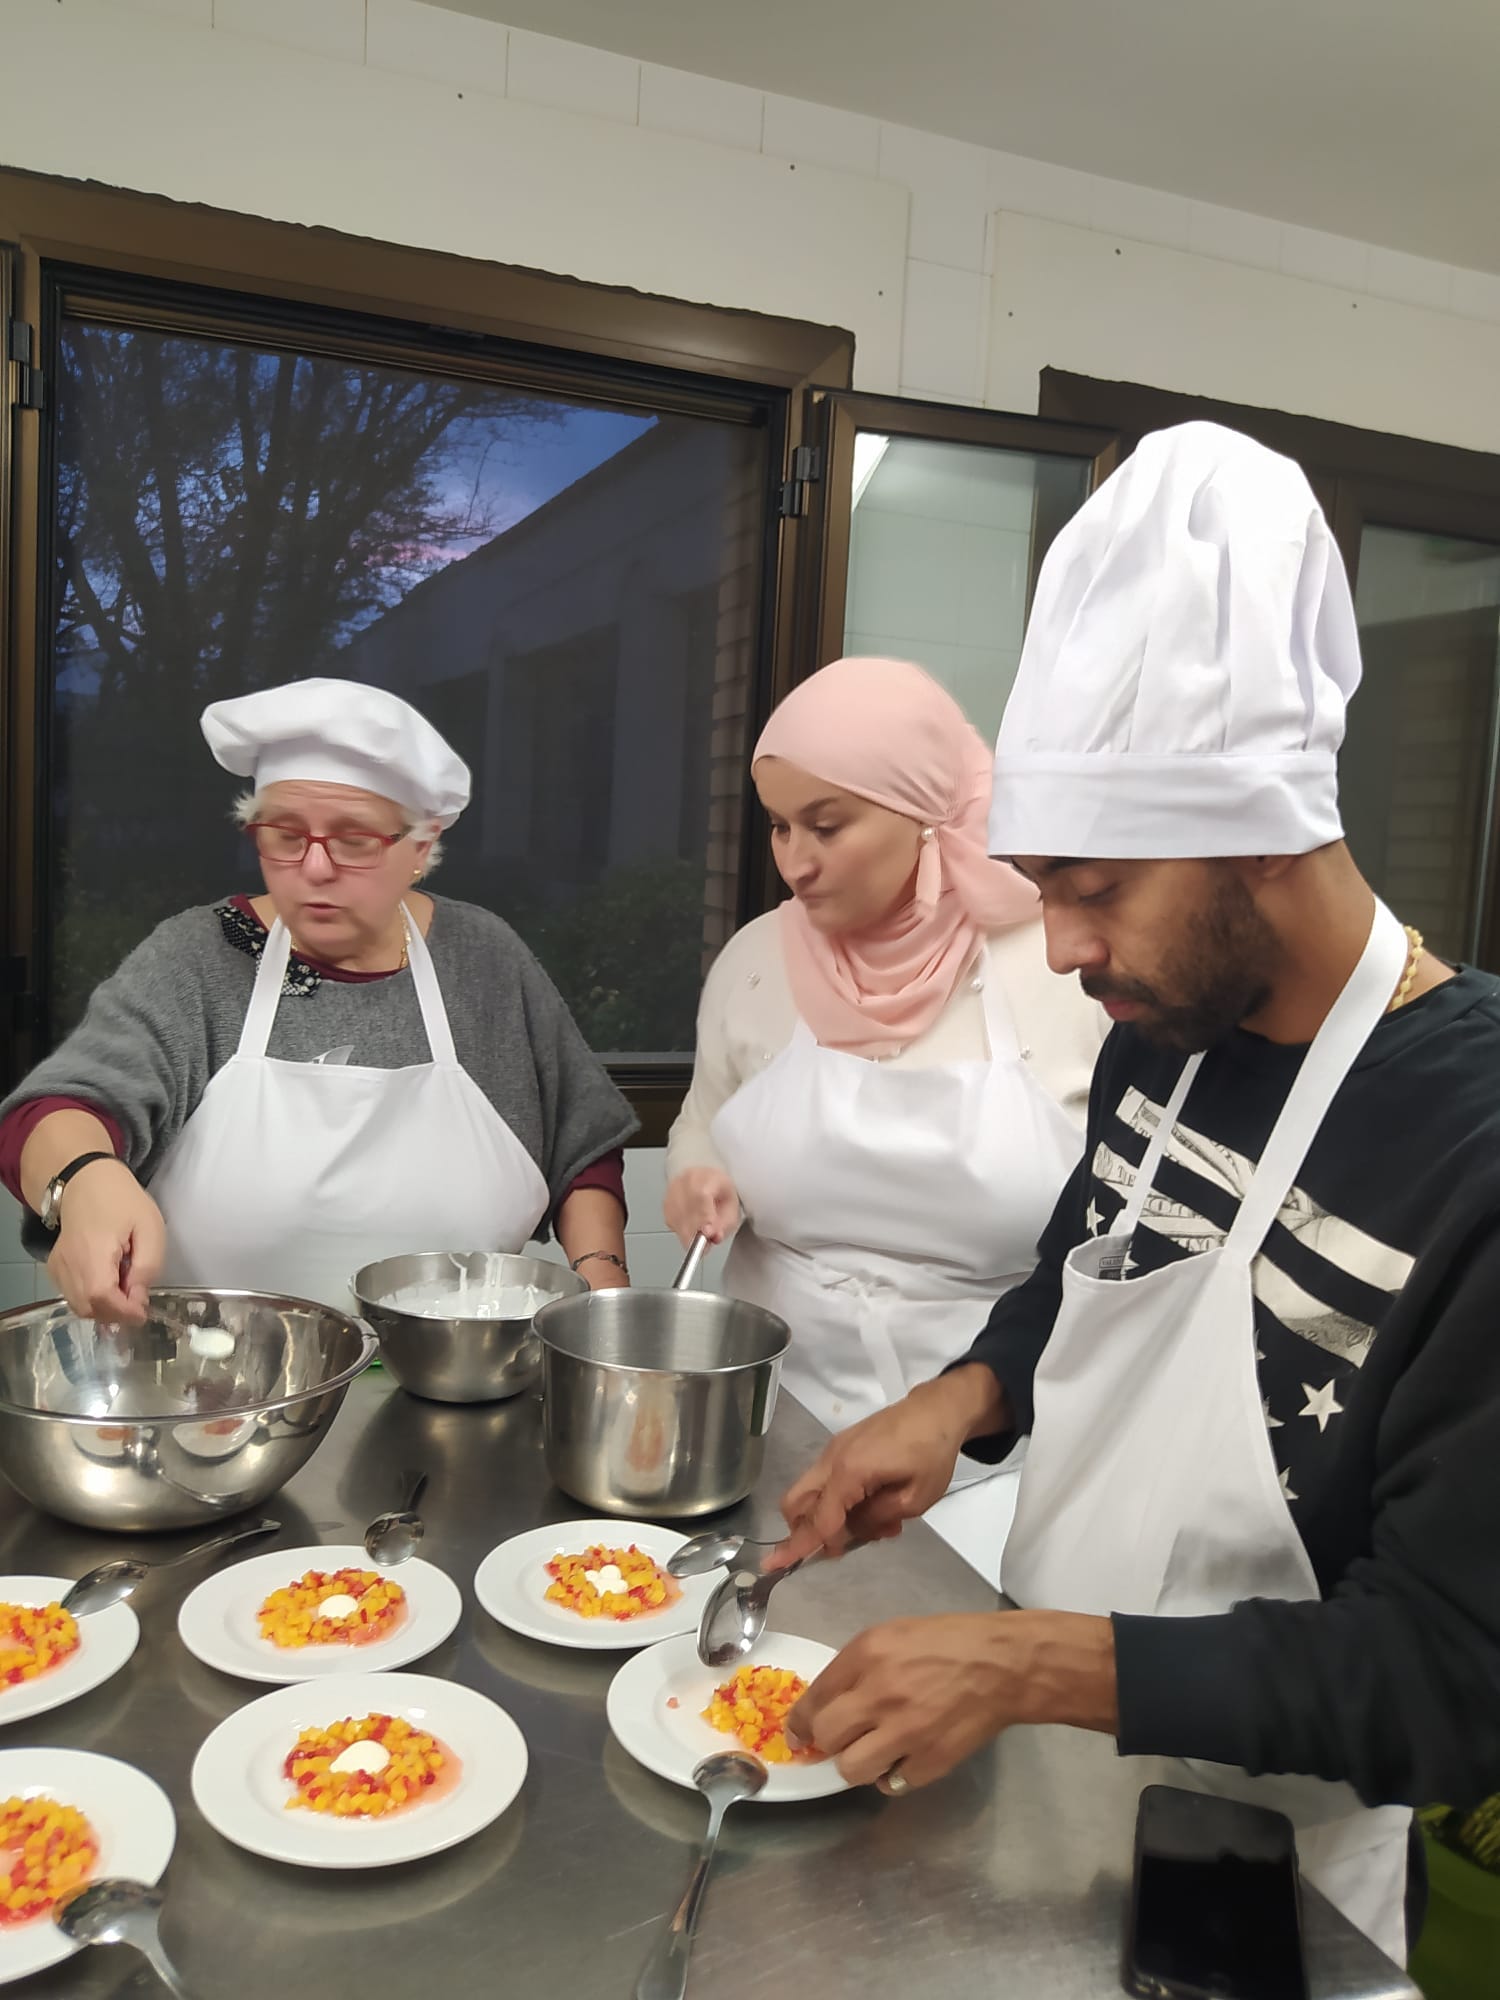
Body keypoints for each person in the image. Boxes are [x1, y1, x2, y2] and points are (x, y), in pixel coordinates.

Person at [771, 425, 1500, 1966]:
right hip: (1035, 1780)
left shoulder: (1473, 1144)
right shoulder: (1163, 1033)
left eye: (1097, 891)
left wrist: (1027, 1666)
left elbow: (1452, 1682)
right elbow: (1080, 1273)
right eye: (1045, 891)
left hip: (1270, 1877)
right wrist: (963, 1402)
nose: (1063, 948)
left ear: (1264, 835)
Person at [0, 678, 637, 1320]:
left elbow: (581, 1144)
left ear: (420, 847)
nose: (314, 868)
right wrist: (84, 1177)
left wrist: (602, 1285)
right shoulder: (197, 959)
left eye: (354, 840)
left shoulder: (484, 960)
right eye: (285, 835)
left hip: (460, 1373)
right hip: (214, 1372)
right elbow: (57, 1108)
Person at [663, 656, 1104, 1580]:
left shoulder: (1061, 968)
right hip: (766, 1443)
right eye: (779, 826)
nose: (795, 861)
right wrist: (695, 1175)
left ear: (929, 813)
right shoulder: (756, 962)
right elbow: (703, 1119)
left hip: (996, 1466)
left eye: (827, 825)